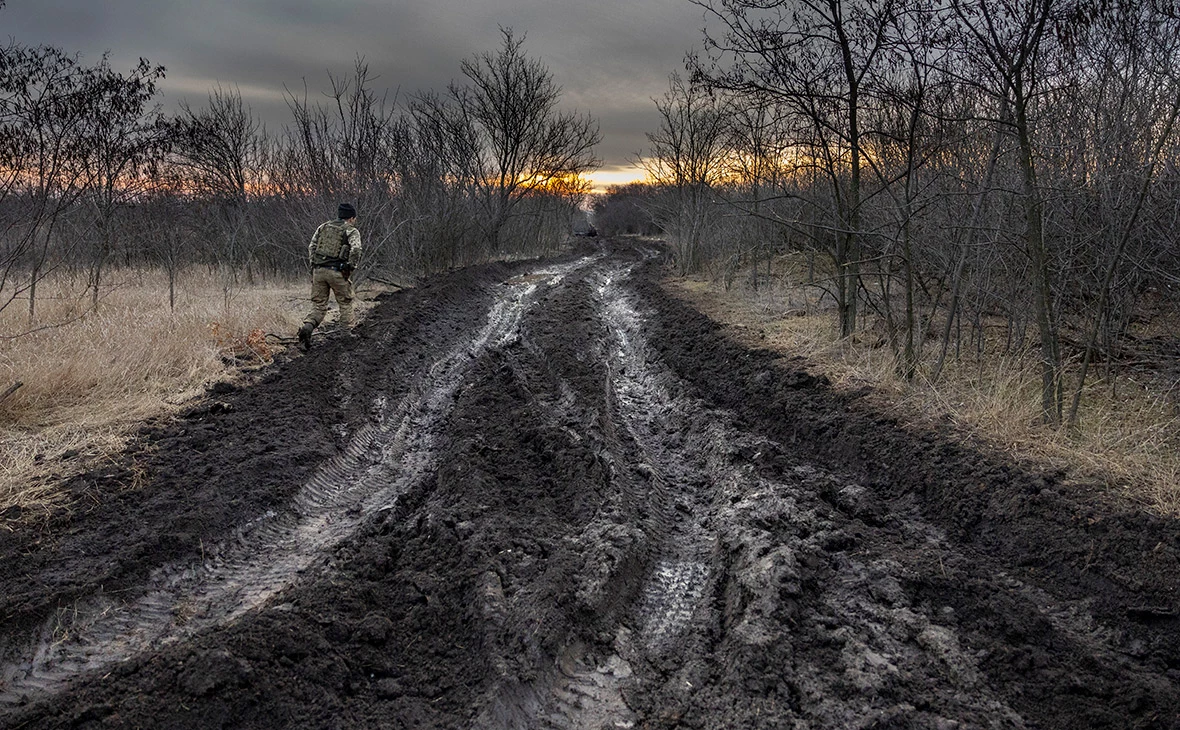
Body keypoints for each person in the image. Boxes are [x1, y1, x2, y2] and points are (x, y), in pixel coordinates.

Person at [298, 202, 363, 350]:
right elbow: (356, 249)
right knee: (345, 302)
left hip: (319, 271)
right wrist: (350, 267)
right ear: (351, 218)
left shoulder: (323, 227)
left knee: (319, 306)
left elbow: (311, 247)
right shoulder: (351, 230)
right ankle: (346, 335)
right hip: (337, 271)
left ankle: (307, 327)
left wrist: (314, 266)